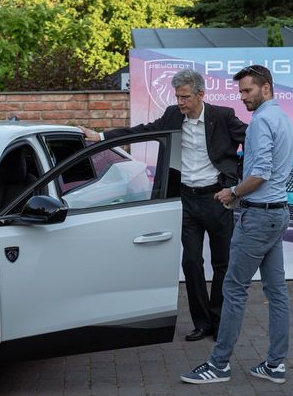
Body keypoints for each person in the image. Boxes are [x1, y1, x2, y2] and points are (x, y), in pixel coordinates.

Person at [82, 69, 246, 341]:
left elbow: (251, 142)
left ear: (200, 94)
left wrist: (235, 179)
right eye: (177, 97)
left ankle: (219, 321)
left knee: (222, 263)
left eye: (185, 97)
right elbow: (144, 130)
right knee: (191, 262)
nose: (180, 102)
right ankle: (202, 323)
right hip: (186, 199)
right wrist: (101, 137)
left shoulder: (222, 116)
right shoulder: (173, 115)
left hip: (217, 198)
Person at [181, 64, 293, 385]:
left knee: (233, 289)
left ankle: (219, 365)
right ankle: (275, 365)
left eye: (248, 90)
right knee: (277, 291)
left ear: (266, 88)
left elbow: (260, 174)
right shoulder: (283, 118)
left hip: (259, 216)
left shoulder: (261, 122)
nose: (242, 97)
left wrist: (232, 192)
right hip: (278, 213)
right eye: (240, 91)